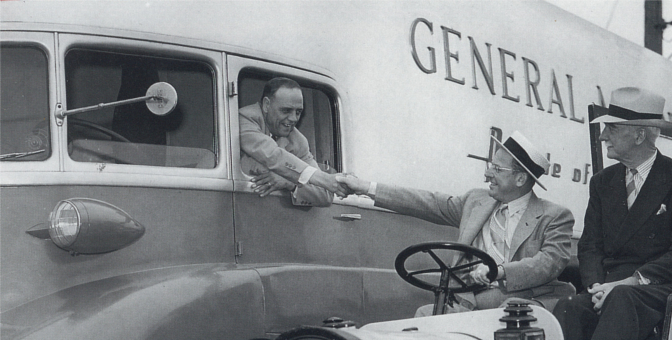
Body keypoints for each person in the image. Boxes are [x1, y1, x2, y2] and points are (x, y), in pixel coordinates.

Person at [554, 87, 672, 340]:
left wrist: (630, 282)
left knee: (622, 299)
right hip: (609, 288)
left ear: (639, 135)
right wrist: (597, 287)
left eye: (611, 129)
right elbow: (590, 247)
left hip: (661, 286)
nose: (602, 137)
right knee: (569, 306)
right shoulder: (602, 182)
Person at [335, 131, 575, 314]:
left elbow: (547, 264)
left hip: (520, 305)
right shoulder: (475, 201)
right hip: (469, 302)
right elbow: (424, 202)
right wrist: (366, 188)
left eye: (497, 169)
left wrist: (498, 272)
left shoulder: (554, 216)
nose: (487, 174)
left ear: (520, 178)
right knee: (426, 315)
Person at [238, 77, 346, 206]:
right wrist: (322, 178)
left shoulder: (297, 140)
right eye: (286, 110)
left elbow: (325, 195)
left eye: (298, 112)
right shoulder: (243, 119)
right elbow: (273, 155)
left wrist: (289, 182)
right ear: (267, 105)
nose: (294, 118)